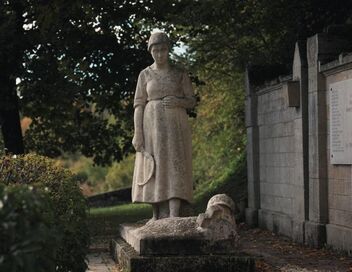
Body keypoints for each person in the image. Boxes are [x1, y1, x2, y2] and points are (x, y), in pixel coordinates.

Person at [131, 32, 196, 220]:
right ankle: (156, 213)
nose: (160, 54)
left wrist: (178, 101)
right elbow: (138, 104)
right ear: (151, 51)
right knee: (155, 165)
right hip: (151, 126)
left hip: (175, 125)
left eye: (163, 50)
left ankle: (175, 212)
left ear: (169, 50)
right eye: (156, 50)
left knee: (175, 163)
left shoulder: (179, 73)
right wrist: (138, 133)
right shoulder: (145, 74)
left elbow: (191, 100)